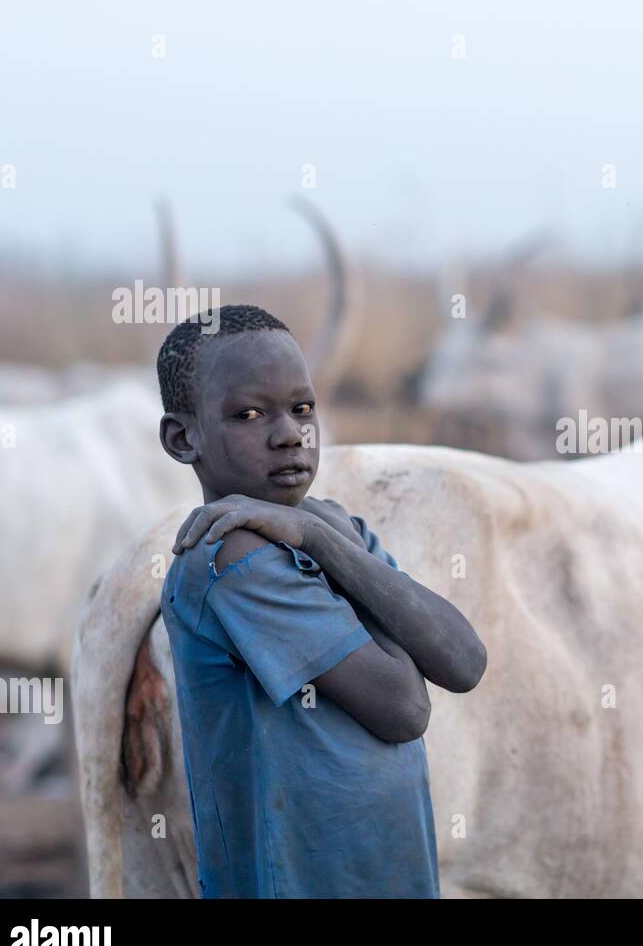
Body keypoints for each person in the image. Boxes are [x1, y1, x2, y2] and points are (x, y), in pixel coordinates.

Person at [155, 304, 486, 897]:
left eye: (302, 409)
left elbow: (464, 662)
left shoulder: (332, 532)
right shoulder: (232, 561)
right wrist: (331, 547)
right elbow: (405, 709)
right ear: (184, 438)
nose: (288, 434)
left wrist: (323, 540)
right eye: (249, 414)